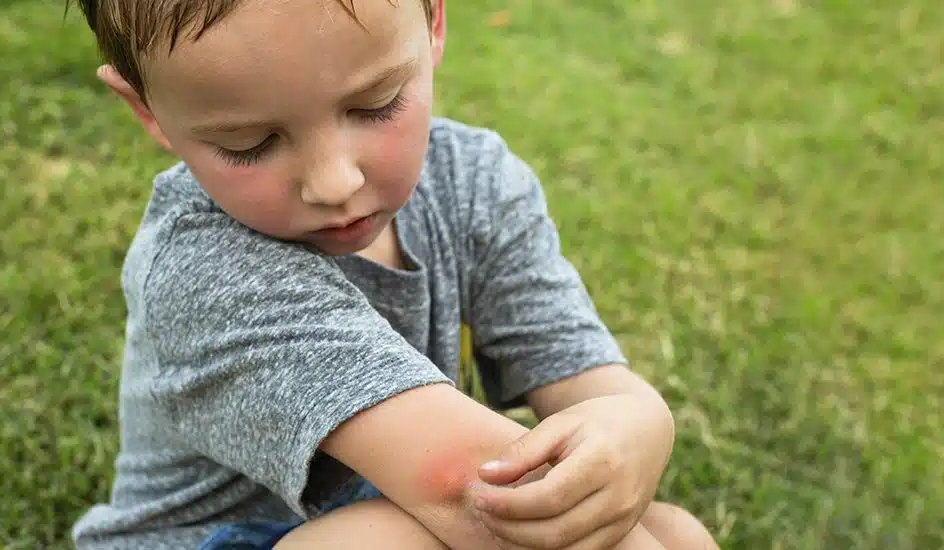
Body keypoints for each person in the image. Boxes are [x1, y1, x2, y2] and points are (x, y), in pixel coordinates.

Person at [68, 0, 719, 548]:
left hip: (387, 516)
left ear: (432, 21)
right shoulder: (204, 274)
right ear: (148, 109)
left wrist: (639, 423)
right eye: (249, 144)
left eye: (375, 105)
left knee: (677, 532)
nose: (334, 183)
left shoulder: (473, 184)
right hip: (232, 538)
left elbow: (592, 386)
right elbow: (470, 495)